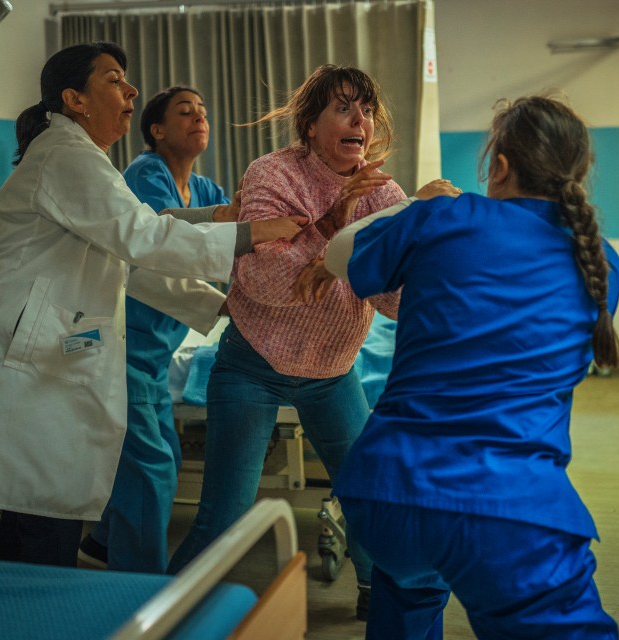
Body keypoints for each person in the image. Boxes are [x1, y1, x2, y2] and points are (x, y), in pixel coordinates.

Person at [0, 42, 303, 568]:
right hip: (15, 363)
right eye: (114, 79)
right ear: (76, 99)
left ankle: (24, 609)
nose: (131, 89)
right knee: (41, 515)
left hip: (47, 359)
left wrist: (220, 231)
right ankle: (57, 613)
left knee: (39, 515)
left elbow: (134, 238)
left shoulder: (85, 161)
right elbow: (140, 236)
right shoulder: (65, 156)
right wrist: (250, 234)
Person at [294, 95, 619, 639]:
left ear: (499, 166)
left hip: (389, 494)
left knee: (410, 595)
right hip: (507, 508)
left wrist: (410, 204)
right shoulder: (600, 262)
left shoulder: (442, 217)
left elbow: (337, 257)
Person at [166, 63, 459, 619]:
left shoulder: (383, 192)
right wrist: (335, 222)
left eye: (366, 110)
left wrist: (421, 235)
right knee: (224, 514)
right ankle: (156, 607)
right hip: (252, 360)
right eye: (344, 107)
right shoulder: (272, 175)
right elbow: (268, 283)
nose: (360, 120)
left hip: (330, 369)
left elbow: (391, 300)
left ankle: (380, 596)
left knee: (368, 495)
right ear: (310, 125)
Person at [78, 86, 237, 573]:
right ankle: (141, 589)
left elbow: (240, 229)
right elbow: (149, 262)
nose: (199, 118)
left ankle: (106, 540)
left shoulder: (204, 189)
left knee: (158, 452)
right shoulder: (146, 174)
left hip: (152, 354)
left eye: (204, 111)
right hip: (122, 346)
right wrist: (227, 305)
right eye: (185, 112)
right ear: (157, 130)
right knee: (153, 470)